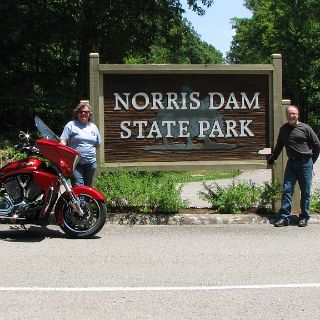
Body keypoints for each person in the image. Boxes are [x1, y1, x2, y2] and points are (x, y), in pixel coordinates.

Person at [268, 105, 320, 227]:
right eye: (290, 113)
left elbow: (317, 144)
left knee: (305, 191)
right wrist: (273, 158)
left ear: (298, 115)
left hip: (305, 163)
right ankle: (284, 217)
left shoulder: (306, 128)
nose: (292, 115)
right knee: (287, 189)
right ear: (286, 115)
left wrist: (312, 161)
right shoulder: (283, 129)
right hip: (291, 163)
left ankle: (304, 217)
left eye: (294, 113)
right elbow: (279, 145)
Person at [60, 101, 102, 187]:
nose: (83, 113)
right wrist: (63, 152)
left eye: (86, 112)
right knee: (78, 186)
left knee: (88, 187)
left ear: (89, 114)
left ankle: (85, 201)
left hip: (91, 163)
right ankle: (79, 201)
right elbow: (63, 140)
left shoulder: (93, 127)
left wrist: (88, 153)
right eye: (81, 112)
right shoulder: (71, 125)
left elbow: (98, 144)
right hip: (75, 163)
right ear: (77, 113)